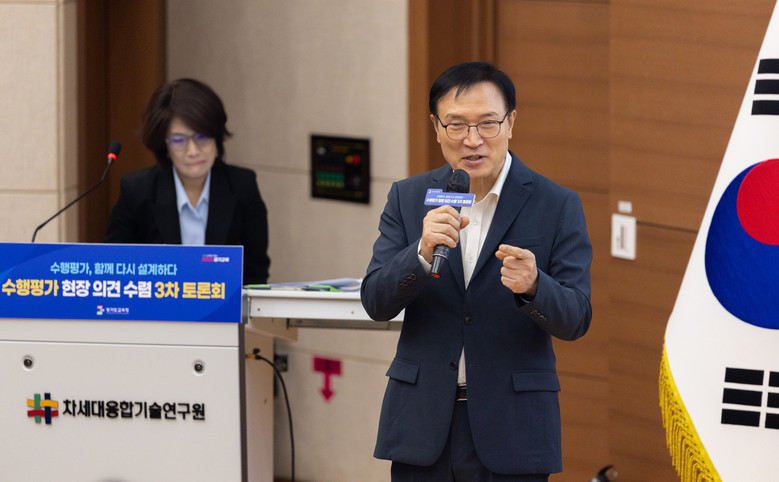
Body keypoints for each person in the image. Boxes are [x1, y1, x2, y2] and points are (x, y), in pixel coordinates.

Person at [361, 62, 593, 481]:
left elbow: (577, 318)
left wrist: (535, 287)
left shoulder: (556, 204)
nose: (473, 140)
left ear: (511, 123)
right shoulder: (408, 197)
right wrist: (419, 254)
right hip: (422, 424)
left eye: (487, 123)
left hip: (513, 427)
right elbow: (375, 302)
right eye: (456, 125)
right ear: (436, 128)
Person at [104, 78, 270, 285]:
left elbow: (255, 272)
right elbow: (116, 267)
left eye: (202, 137)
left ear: (217, 138)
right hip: (158, 302)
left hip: (223, 304)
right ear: (165, 146)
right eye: (179, 140)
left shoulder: (243, 186)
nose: (193, 151)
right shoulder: (137, 191)